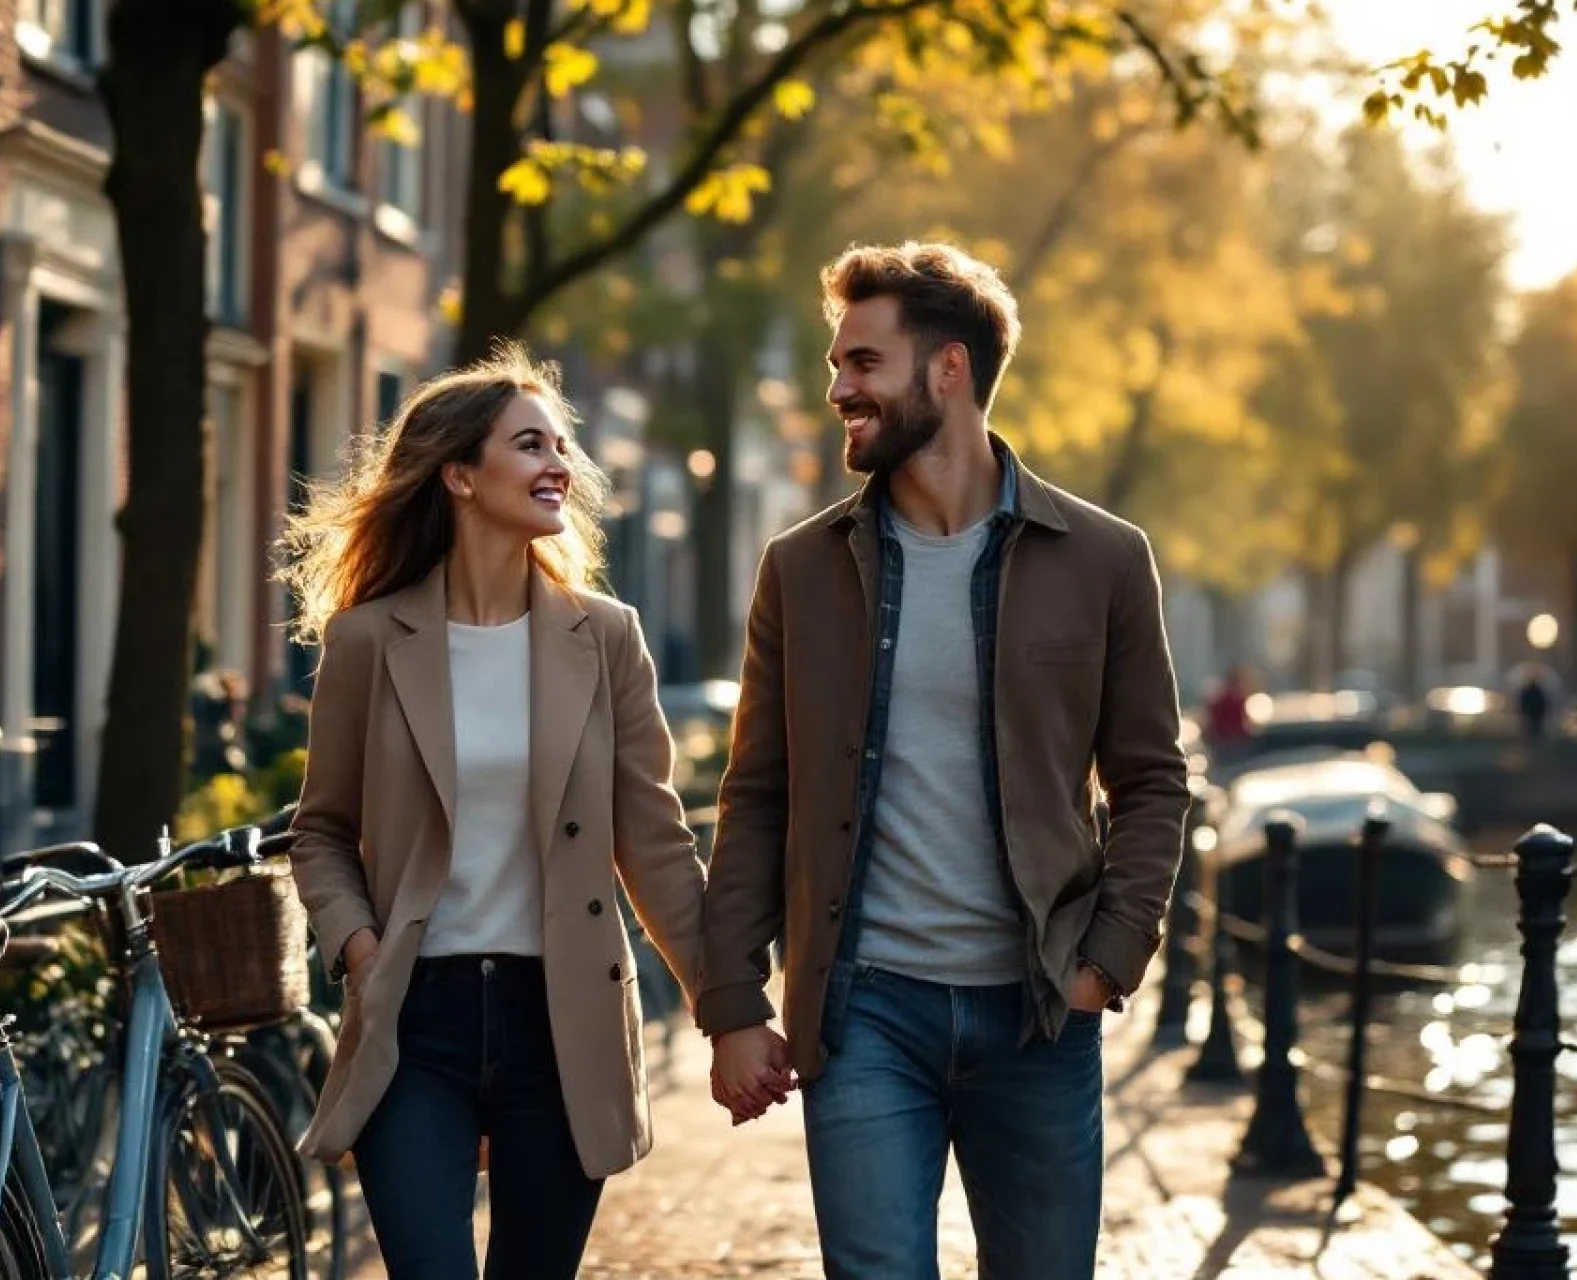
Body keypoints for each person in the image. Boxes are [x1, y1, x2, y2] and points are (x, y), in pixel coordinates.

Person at [697, 242, 1190, 1279]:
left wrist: (1106, 960)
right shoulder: (800, 569)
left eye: (864, 362)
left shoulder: (1104, 558)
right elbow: (758, 797)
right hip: (864, 1014)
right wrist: (732, 1004)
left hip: (1040, 1010)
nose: (839, 389)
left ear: (949, 369)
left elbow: (1151, 780)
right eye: (838, 363)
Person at [279, 345, 706, 1279]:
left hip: (562, 1019)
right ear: (460, 475)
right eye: (530, 444)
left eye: (561, 445)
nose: (560, 464)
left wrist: (729, 1001)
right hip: (414, 1019)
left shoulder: (606, 636)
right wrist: (361, 947)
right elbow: (321, 830)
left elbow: (654, 840)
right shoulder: (368, 640)